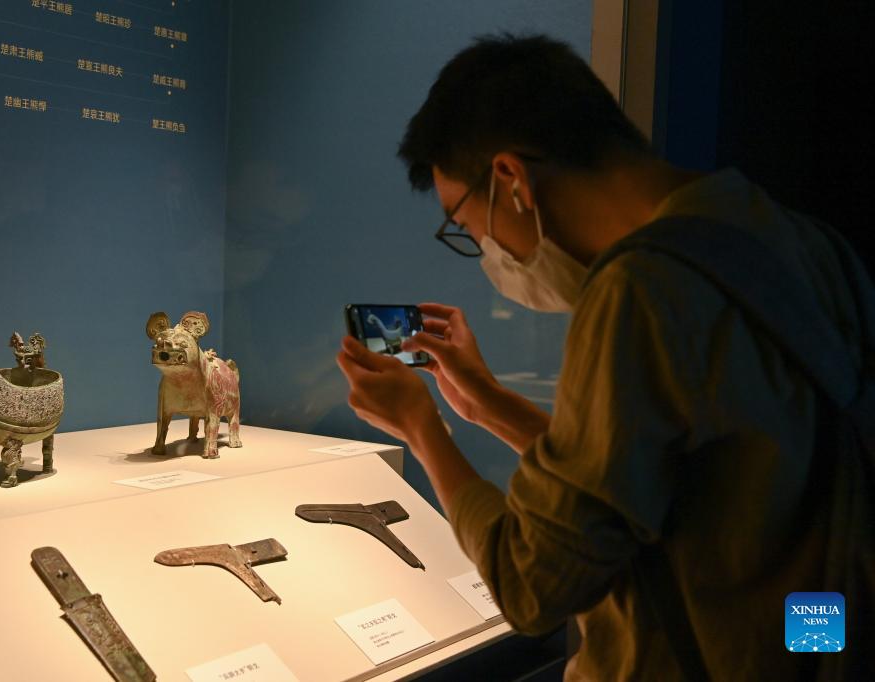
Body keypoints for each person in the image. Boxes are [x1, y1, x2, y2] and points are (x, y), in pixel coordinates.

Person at [336, 34, 872, 680]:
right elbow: (669, 483)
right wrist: (490, 405)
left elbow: (530, 586)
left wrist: (424, 431)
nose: (485, 249)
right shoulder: (805, 244)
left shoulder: (639, 290)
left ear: (510, 179)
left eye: (467, 224)